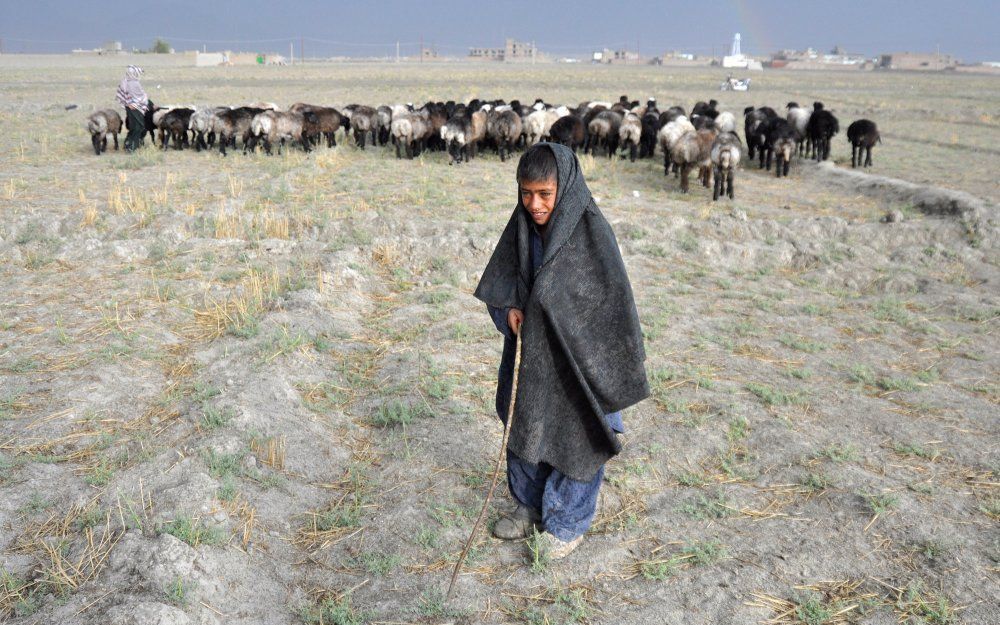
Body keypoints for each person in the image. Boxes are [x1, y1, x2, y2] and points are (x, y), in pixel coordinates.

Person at [474, 143, 649, 560]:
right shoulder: (521, 227)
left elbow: (607, 306)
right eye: (526, 193)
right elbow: (503, 285)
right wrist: (510, 310)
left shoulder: (589, 231)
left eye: (544, 195)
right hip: (531, 357)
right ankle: (529, 506)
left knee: (577, 434)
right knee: (524, 427)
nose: (534, 204)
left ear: (564, 188)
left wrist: (561, 322)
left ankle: (567, 523)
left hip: (578, 363)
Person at [116, 65, 148, 152]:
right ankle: (132, 147)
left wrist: (128, 103)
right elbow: (140, 96)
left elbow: (124, 96)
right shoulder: (134, 83)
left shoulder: (124, 81)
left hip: (130, 107)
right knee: (139, 127)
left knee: (134, 127)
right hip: (136, 108)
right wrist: (145, 97)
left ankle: (127, 144)